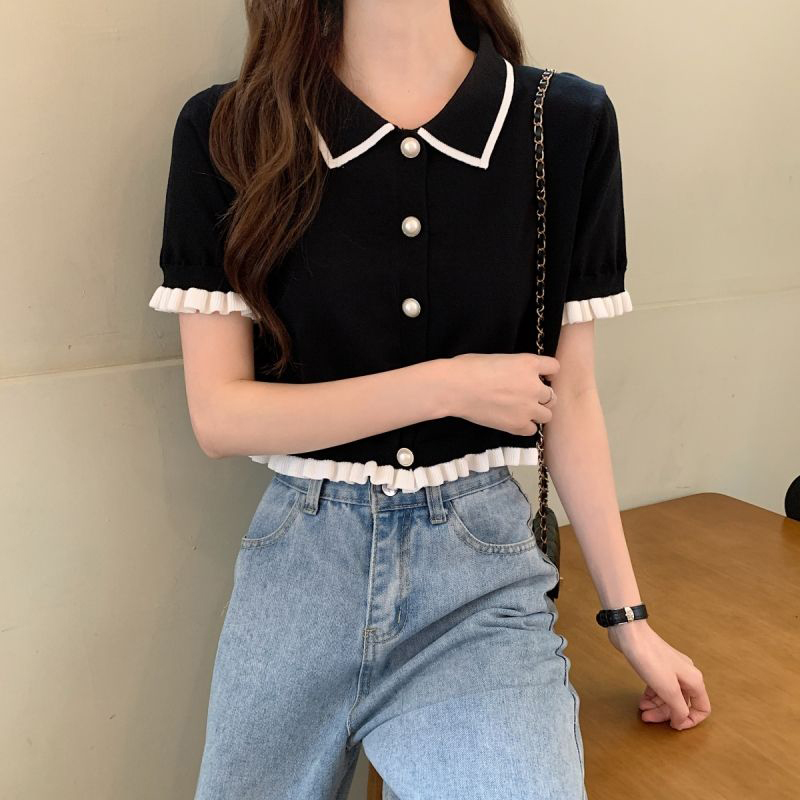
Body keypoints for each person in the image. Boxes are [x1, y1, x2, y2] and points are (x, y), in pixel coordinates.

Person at [147, 1, 711, 797]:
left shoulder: (561, 124)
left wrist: (629, 620)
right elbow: (221, 417)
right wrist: (448, 384)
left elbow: (572, 397)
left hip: (476, 586)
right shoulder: (230, 129)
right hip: (298, 577)